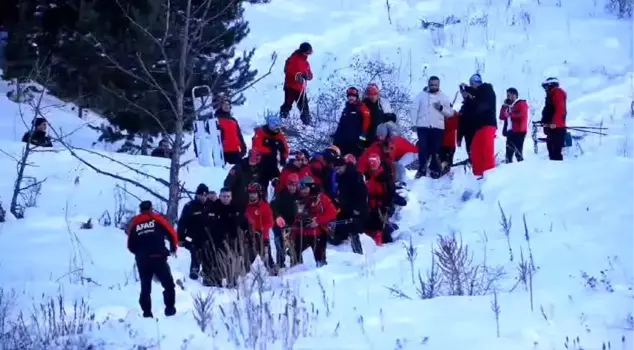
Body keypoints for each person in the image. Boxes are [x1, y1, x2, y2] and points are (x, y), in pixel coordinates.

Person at [126, 200, 178, 318]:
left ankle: (147, 313)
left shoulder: (135, 223)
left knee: (145, 287)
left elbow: (130, 245)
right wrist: (173, 248)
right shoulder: (157, 218)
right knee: (168, 284)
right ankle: (170, 309)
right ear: (151, 208)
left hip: (142, 259)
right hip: (158, 256)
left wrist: (140, 254)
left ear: (140, 210)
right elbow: (171, 232)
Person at [410, 76, 455, 179]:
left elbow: (450, 113)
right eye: (432, 84)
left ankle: (435, 169)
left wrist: (441, 108)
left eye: (435, 85)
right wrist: (414, 123)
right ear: (428, 84)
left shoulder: (443, 97)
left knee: (436, 149)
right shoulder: (421, 96)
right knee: (423, 148)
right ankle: (422, 169)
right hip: (423, 126)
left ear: (439, 85)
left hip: (437, 127)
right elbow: (414, 109)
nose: (433, 86)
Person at [291, 176, 337, 267]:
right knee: (295, 256)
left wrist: (317, 220)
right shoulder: (298, 198)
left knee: (320, 259)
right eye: (301, 189)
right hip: (301, 233)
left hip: (318, 233)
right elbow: (294, 216)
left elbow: (332, 212)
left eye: (305, 188)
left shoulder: (321, 198)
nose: (303, 191)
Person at [205, 187, 246, 287]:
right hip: (217, 240)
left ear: (231, 197)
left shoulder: (236, 207)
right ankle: (218, 279)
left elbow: (243, 223)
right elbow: (207, 223)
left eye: (228, 196)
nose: (226, 198)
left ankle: (234, 279)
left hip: (234, 240)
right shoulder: (213, 208)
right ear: (220, 197)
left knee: (235, 259)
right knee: (221, 260)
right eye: (224, 196)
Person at [462, 74, 497, 178]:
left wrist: (468, 90)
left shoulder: (487, 89)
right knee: (475, 150)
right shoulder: (477, 96)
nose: (471, 86)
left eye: (472, 84)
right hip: (479, 126)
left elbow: (480, 101)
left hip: (488, 123)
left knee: (486, 150)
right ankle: (478, 175)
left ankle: (489, 175)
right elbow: (472, 108)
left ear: (478, 82)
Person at [331, 154, 367, 253]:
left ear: (344, 165)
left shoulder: (355, 175)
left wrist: (358, 208)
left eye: (339, 168)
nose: (337, 170)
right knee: (340, 230)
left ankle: (358, 253)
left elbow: (362, 193)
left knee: (354, 231)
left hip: (357, 209)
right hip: (345, 207)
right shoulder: (341, 177)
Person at [176, 184, 214, 280]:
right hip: (191, 236)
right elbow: (182, 223)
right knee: (194, 247)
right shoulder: (189, 206)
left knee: (208, 249)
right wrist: (180, 238)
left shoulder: (212, 205)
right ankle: (194, 269)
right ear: (197, 195)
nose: (203, 197)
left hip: (208, 236)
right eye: (201, 195)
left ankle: (207, 273)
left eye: (205, 195)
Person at [270, 173, 300, 267]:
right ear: (287, 184)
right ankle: (280, 265)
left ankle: (295, 263)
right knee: (280, 246)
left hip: (292, 225)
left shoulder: (299, 196)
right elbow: (273, 207)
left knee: (294, 245)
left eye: (295, 185)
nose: (293, 187)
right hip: (279, 225)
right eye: (291, 184)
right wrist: (278, 216)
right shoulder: (280, 194)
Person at [244, 183, 275, 271]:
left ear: (258, 194)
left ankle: (273, 274)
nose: (252, 195)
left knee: (267, 259)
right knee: (248, 260)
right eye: (250, 193)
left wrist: (265, 236)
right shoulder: (246, 206)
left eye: (254, 193)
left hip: (261, 237)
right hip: (249, 237)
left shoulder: (264, 206)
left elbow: (269, 222)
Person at [332, 87, 371, 157]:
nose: (351, 98)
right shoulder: (346, 110)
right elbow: (341, 125)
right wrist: (336, 137)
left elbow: (366, 125)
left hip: (356, 143)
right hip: (344, 143)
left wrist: (361, 141)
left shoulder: (362, 108)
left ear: (356, 97)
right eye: (349, 96)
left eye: (353, 96)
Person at [364, 155, 394, 246]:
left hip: (380, 205)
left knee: (380, 226)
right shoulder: (369, 175)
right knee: (370, 224)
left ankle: (379, 244)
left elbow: (390, 192)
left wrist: (386, 206)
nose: (373, 169)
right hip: (371, 204)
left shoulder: (384, 177)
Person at [280, 42, 313, 125]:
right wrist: (299, 75)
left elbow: (310, 75)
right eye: (308, 52)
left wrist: (307, 76)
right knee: (287, 105)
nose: (309, 54)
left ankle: (307, 126)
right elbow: (288, 71)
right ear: (303, 51)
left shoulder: (306, 63)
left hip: (300, 88)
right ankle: (281, 121)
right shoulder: (293, 59)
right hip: (290, 87)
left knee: (304, 108)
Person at [252, 114, 289, 182]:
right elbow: (256, 147)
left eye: (278, 126)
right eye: (274, 126)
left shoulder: (280, 136)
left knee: (279, 182)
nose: (276, 128)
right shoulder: (261, 133)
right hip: (260, 163)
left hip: (274, 164)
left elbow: (285, 149)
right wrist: (270, 150)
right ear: (269, 125)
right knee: (261, 184)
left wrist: (283, 158)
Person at [540, 77, 567, 161]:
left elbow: (560, 109)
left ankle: (558, 171)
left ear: (551, 85)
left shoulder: (557, 92)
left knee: (555, 153)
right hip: (551, 127)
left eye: (546, 86)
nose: (545, 89)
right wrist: (544, 121)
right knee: (551, 151)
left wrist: (555, 123)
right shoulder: (551, 94)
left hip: (556, 127)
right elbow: (549, 110)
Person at [499, 87, 528, 163]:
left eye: (510, 95)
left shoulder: (521, 103)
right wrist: (504, 106)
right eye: (507, 95)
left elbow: (521, 114)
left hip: (519, 131)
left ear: (515, 95)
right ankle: (508, 168)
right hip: (510, 132)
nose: (508, 97)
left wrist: (509, 114)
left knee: (518, 152)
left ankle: (521, 167)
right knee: (508, 153)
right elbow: (501, 117)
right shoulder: (508, 106)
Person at [215, 97, 247, 165]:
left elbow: (238, 134)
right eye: (224, 104)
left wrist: (243, 147)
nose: (226, 106)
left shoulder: (233, 120)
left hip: (235, 151)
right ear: (221, 106)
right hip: (222, 152)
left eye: (228, 104)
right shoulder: (216, 120)